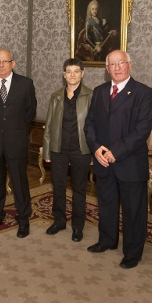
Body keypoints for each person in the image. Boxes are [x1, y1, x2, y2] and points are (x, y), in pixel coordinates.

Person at [84, 50, 152, 269]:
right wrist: (96, 149)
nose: (116, 68)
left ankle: (133, 252)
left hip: (130, 162)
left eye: (121, 63)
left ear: (129, 65)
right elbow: (90, 124)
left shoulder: (144, 93)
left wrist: (115, 151)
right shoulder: (99, 91)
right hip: (103, 161)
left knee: (134, 210)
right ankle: (107, 240)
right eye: (112, 64)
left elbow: (142, 130)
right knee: (106, 203)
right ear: (106, 69)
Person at [0, 49, 37, 238]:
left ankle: (23, 218)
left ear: (13, 63)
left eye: (5, 61)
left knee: (19, 181)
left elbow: (30, 111)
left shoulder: (25, 84)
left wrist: (14, 128)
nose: (1, 65)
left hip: (16, 141)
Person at [42, 58, 93, 242]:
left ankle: (78, 226)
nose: (72, 75)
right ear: (63, 74)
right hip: (59, 149)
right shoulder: (56, 96)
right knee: (59, 186)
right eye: (69, 71)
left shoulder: (91, 96)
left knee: (79, 188)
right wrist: (47, 151)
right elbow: (48, 125)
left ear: (82, 73)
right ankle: (59, 221)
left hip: (82, 149)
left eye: (76, 71)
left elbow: (96, 127)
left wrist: (94, 151)